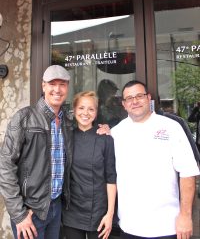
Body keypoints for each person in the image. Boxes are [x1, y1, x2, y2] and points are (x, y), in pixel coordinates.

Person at [111, 80, 199, 239]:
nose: (135, 101)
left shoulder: (172, 127)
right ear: (124, 104)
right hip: (129, 226)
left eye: (139, 96)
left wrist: (185, 216)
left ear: (148, 98)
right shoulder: (116, 133)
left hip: (167, 226)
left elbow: (188, 172)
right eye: (129, 98)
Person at [0, 65, 73, 239]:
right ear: (43, 86)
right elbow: (5, 165)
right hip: (30, 212)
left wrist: (105, 129)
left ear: (67, 88)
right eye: (52, 83)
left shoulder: (67, 122)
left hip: (56, 207)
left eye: (62, 84)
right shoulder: (24, 118)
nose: (57, 89)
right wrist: (19, 214)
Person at [62, 91, 117, 239]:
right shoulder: (66, 137)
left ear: (96, 112)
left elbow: (111, 178)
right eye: (81, 108)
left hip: (99, 210)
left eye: (91, 109)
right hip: (71, 211)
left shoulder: (105, 139)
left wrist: (110, 214)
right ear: (74, 110)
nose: (85, 113)